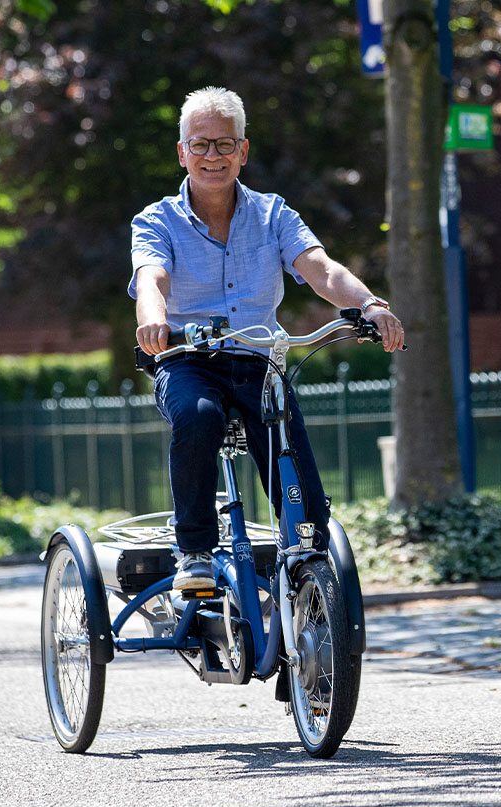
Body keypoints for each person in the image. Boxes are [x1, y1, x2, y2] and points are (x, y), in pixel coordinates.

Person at [130, 86, 403, 594]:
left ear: (244, 151)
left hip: (260, 361)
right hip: (188, 359)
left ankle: (305, 569)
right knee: (199, 416)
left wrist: (370, 305)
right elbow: (151, 278)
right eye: (201, 144)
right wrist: (153, 318)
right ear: (182, 152)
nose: (213, 156)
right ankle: (193, 549)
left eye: (225, 144)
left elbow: (320, 268)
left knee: (294, 471)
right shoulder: (157, 220)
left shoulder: (274, 215)